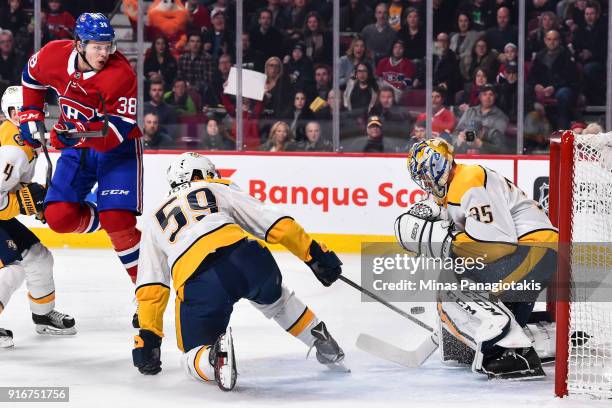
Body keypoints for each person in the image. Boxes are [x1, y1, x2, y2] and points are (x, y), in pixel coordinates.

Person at [131, 153, 346, 390]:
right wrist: (314, 254)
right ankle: (321, 340)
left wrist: (149, 336)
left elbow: (152, 285)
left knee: (191, 354)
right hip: (249, 258)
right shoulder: (217, 188)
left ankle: (214, 357)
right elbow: (273, 222)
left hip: (199, 280)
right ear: (200, 173)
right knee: (279, 302)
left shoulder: (153, 220)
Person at [396, 138, 557, 379]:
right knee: (458, 275)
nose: (425, 183)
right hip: (534, 255)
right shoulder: (455, 186)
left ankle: (511, 351)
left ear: (437, 166)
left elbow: (498, 246)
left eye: (425, 175)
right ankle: (544, 337)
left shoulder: (468, 180)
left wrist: (447, 242)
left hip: (535, 252)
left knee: (451, 283)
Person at [18, 14, 143, 305]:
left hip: (118, 150)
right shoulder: (53, 55)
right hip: (77, 149)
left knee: (119, 219)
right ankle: (108, 218)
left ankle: (146, 288)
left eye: (108, 46)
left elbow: (116, 131)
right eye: (97, 46)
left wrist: (74, 133)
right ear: (79, 44)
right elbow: (31, 77)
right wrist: (31, 113)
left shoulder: (121, 74)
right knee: (58, 218)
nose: (104, 53)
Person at [0, 86, 76, 348]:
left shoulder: (23, 141)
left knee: (38, 257)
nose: (39, 116)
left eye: (40, 110)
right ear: (14, 113)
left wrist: (35, 202)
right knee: (11, 270)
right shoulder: (12, 150)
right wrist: (23, 203)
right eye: (31, 110)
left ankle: (42, 316)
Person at [527, 29, 578, 129]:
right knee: (525, 90)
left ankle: (563, 127)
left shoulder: (566, 55)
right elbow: (532, 76)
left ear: (559, 41)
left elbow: (570, 77)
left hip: (561, 87)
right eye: (549, 39)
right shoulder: (539, 56)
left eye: (555, 39)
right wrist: (536, 85)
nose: (552, 42)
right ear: (545, 40)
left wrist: (554, 87)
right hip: (543, 89)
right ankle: (531, 131)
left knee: (563, 94)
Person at [453, 84, 508, 154]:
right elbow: (456, 132)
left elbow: (498, 141)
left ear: (495, 97)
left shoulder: (501, 116)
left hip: (487, 154)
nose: (488, 97)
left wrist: (480, 143)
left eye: (491, 94)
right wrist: (458, 140)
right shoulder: (470, 111)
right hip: (464, 150)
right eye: (484, 94)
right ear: (480, 97)